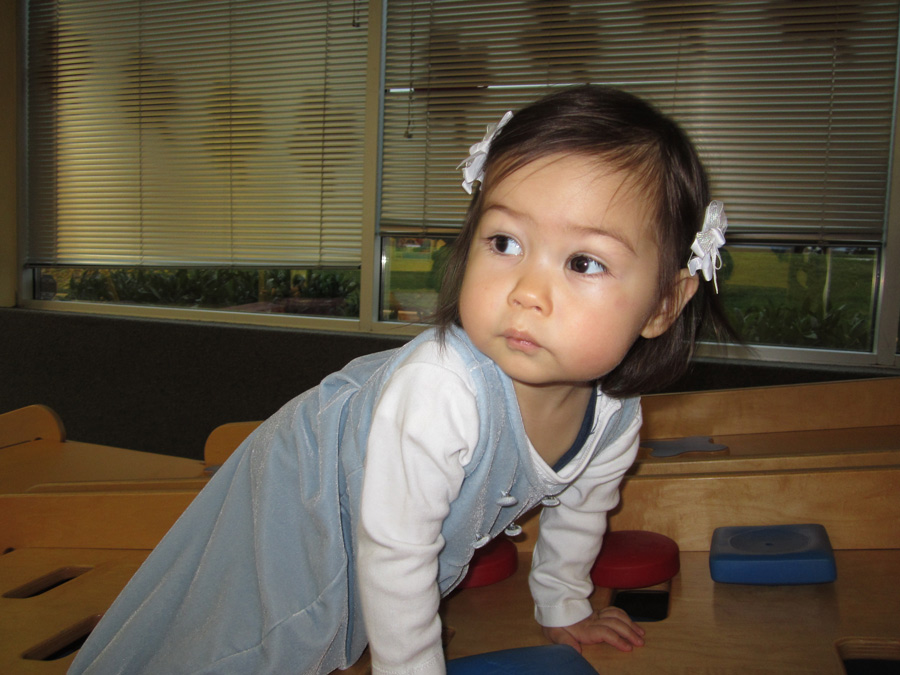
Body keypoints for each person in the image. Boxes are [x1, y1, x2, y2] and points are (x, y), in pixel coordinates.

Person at [68, 85, 731, 675]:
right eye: (504, 243)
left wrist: (564, 606)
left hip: (384, 516)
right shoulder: (442, 390)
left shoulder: (614, 416)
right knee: (242, 635)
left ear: (663, 304)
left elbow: (581, 510)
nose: (527, 291)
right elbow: (397, 551)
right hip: (302, 496)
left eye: (584, 262)